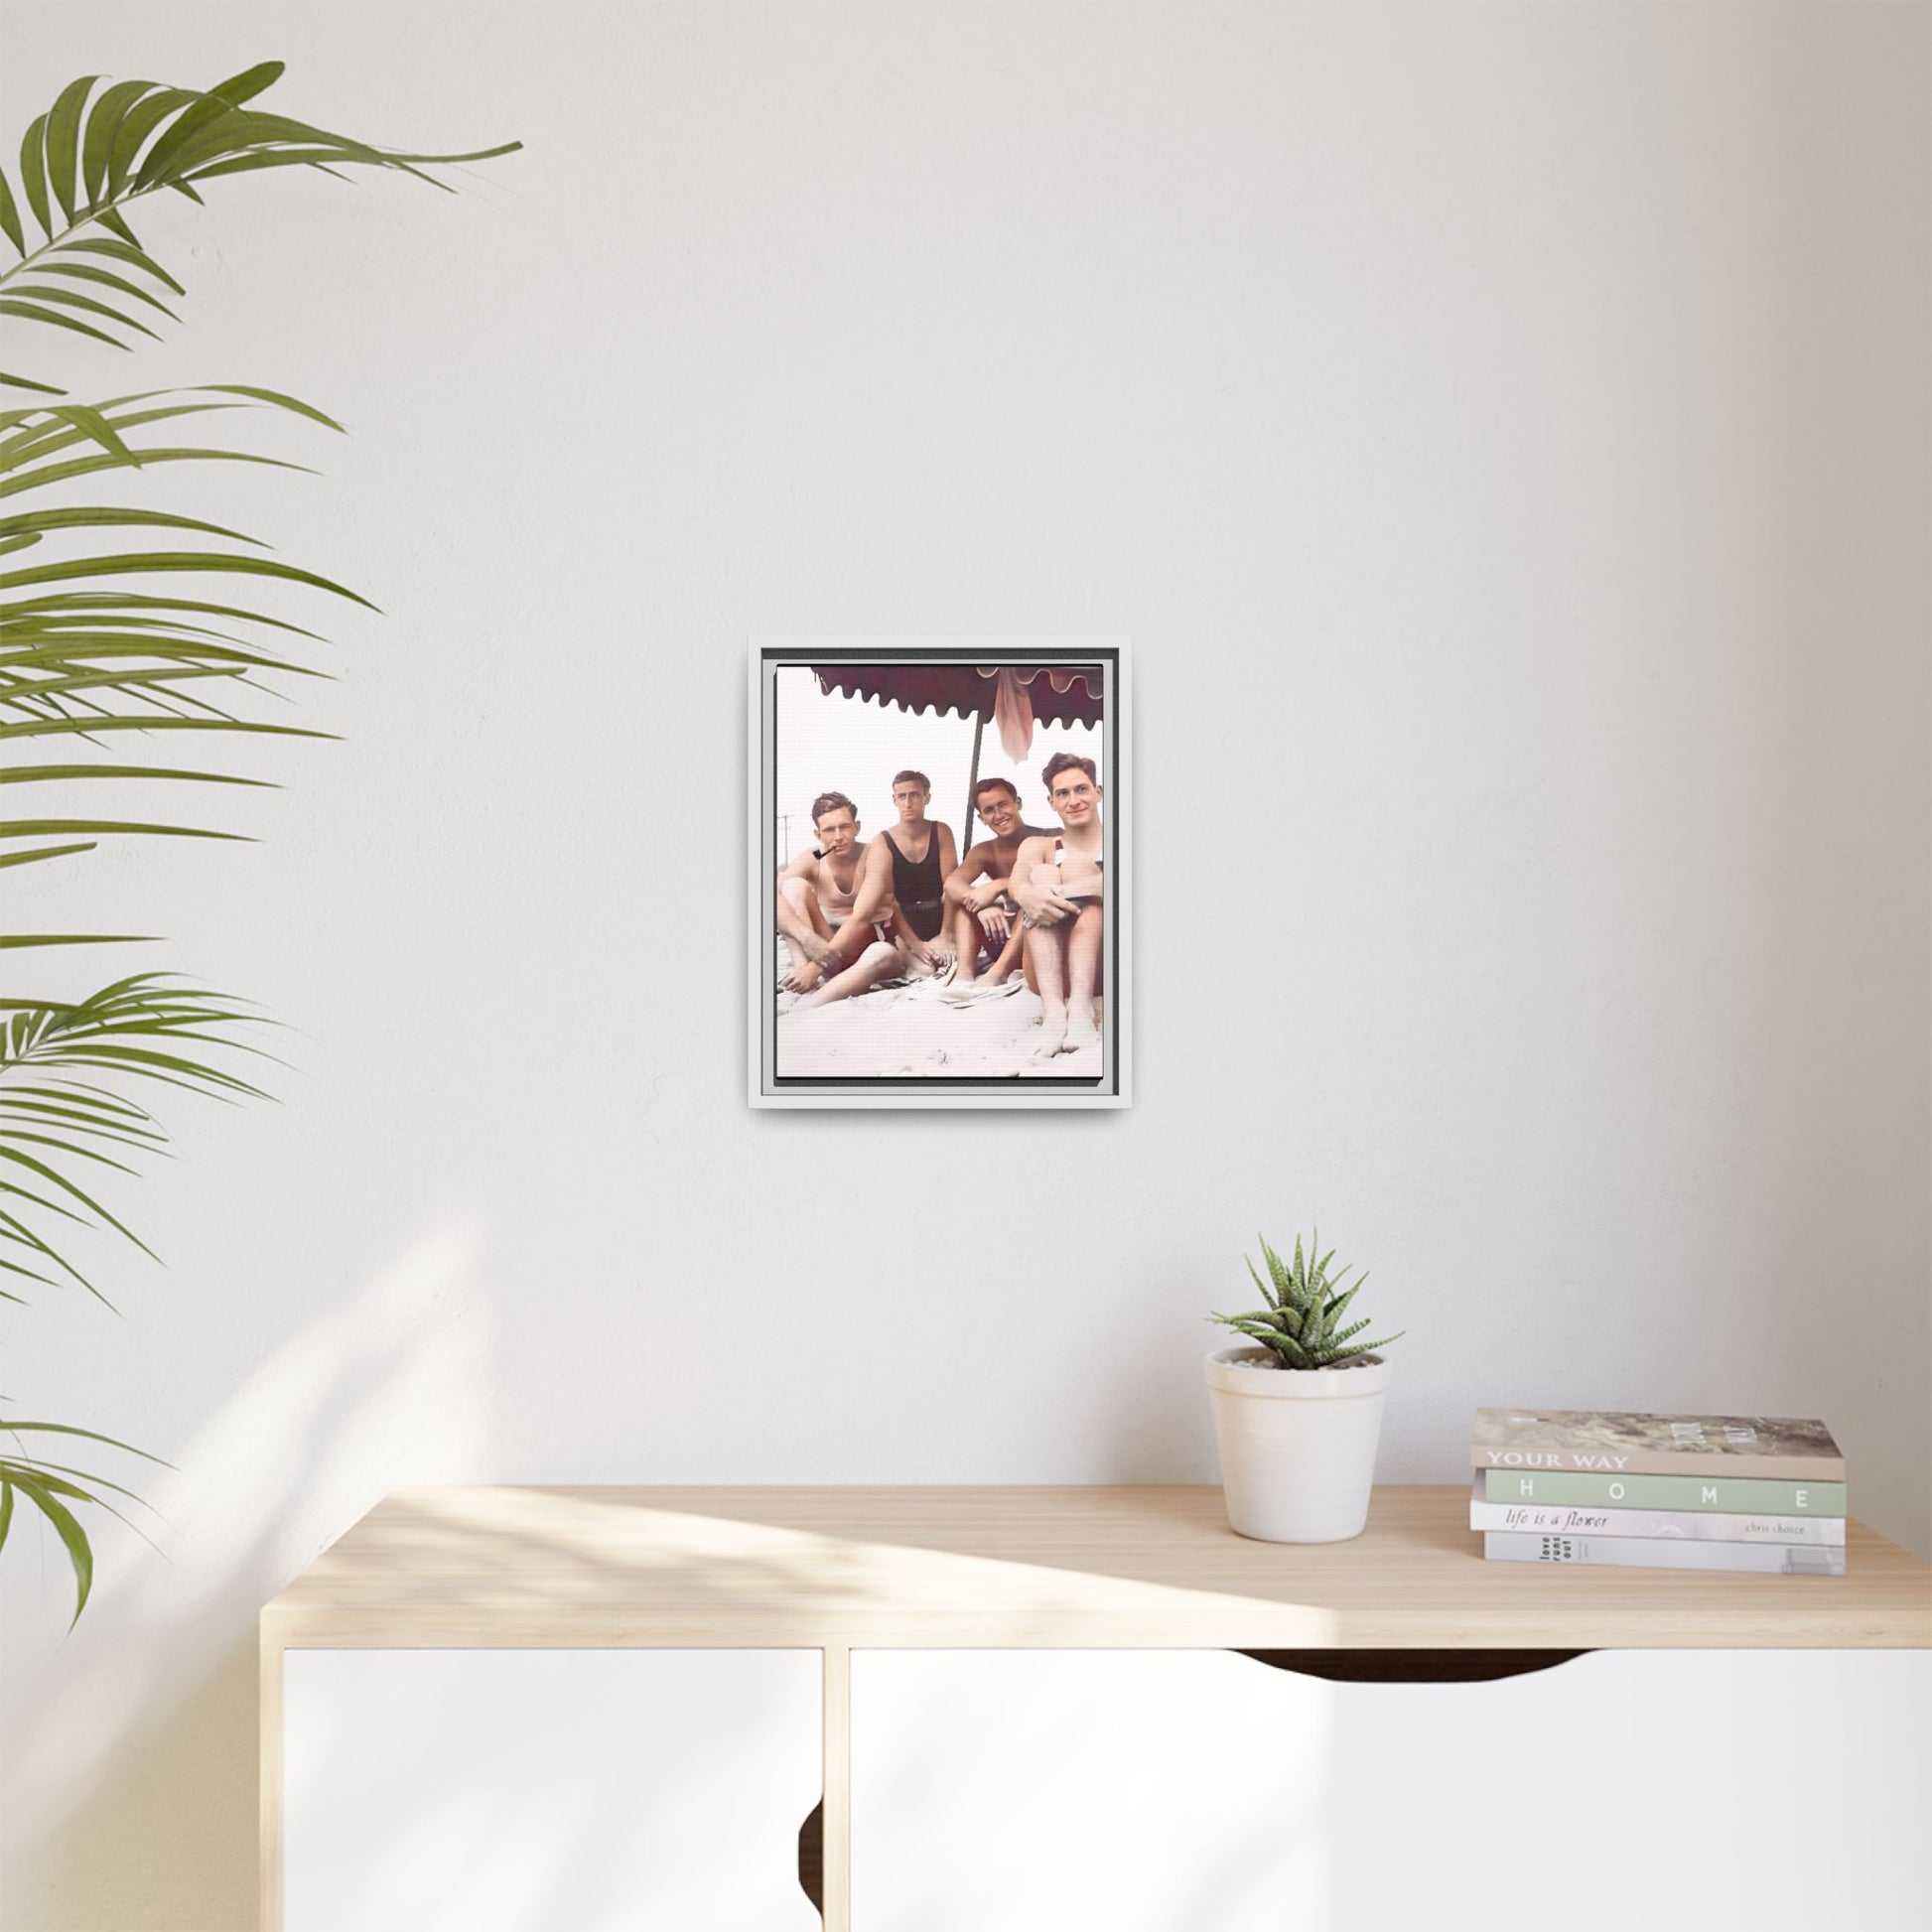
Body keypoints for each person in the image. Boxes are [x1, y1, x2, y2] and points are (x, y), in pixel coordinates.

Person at [799, 769, 960, 1007]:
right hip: (903, 923)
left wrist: (946, 934)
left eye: (915, 795)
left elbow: (951, 885)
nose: (908, 802)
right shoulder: (882, 840)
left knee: (937, 967)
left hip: (937, 915)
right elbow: (888, 901)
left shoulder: (941, 831)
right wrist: (913, 943)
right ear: (894, 800)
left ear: (927, 797)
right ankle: (814, 984)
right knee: (924, 969)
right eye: (902, 796)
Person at [1010, 751, 1104, 1057]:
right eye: (1062, 793)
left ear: (1097, 792)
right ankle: (1055, 1012)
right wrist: (1031, 894)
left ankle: (1080, 1008)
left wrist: (1056, 894)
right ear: (1052, 802)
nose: (1073, 800)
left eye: (1081, 789)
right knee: (1042, 872)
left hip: (1104, 965)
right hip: (1046, 970)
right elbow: (1017, 885)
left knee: (1074, 869)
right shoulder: (1038, 845)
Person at [938, 776, 1043, 1002]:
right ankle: (965, 975)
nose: (998, 815)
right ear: (981, 818)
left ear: (1018, 803)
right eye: (989, 810)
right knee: (964, 907)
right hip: (1001, 935)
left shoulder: (1048, 836)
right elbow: (952, 884)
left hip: (1036, 934)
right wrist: (980, 906)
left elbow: (1056, 880)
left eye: (1003, 804)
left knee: (1027, 904)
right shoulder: (985, 851)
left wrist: (998, 885)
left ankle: (998, 974)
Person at [774, 791, 873, 995]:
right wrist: (807, 937)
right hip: (823, 952)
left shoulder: (873, 853)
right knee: (791, 886)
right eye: (829, 830)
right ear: (818, 835)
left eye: (844, 826)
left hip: (865, 952)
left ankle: (809, 974)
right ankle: (802, 972)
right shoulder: (814, 856)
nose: (838, 837)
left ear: (857, 826)